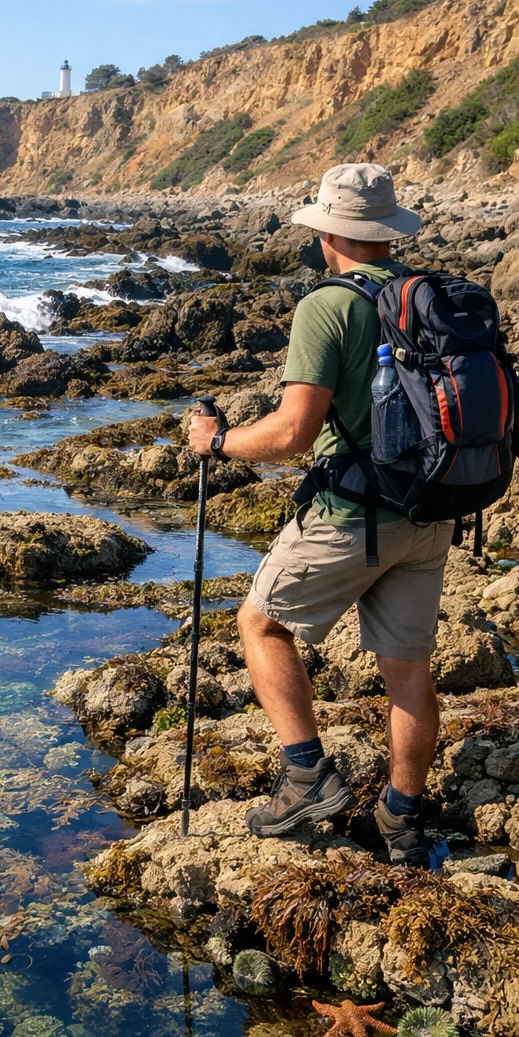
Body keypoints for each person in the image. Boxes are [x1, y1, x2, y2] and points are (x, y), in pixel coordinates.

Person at [189, 163, 452, 867]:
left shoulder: (329, 306)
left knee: (261, 622)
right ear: (385, 231)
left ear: (329, 231)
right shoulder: (422, 294)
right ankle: (399, 821)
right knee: (408, 670)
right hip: (431, 512)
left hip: (354, 515)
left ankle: (306, 774)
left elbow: (291, 434)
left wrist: (216, 441)